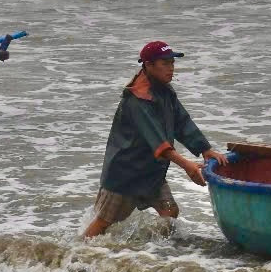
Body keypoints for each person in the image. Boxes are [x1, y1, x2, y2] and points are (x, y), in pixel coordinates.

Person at [84, 41, 228, 238]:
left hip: (151, 172)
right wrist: (187, 165)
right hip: (126, 173)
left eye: (172, 63)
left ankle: (151, 255)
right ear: (148, 65)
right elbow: (160, 144)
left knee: (170, 213)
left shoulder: (165, 91)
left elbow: (182, 122)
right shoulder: (137, 99)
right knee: (104, 222)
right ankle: (75, 257)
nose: (171, 68)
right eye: (165, 63)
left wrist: (205, 149)